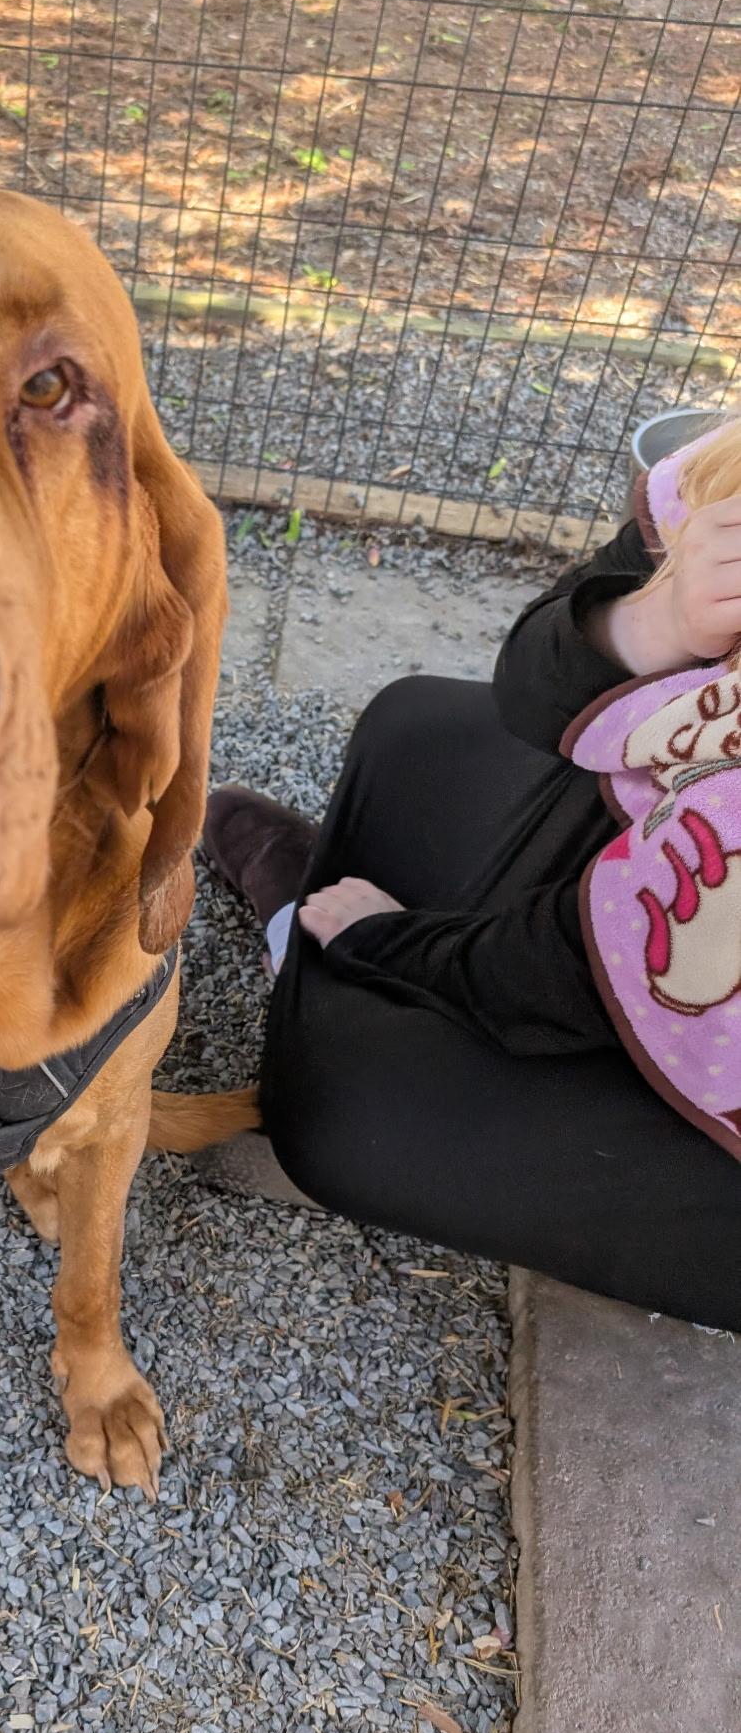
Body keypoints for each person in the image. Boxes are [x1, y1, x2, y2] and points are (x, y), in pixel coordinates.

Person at [204, 426, 741, 1329]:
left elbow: (554, 975)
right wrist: (658, 624)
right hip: (680, 876)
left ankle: (302, 933)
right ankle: (339, 940)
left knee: (344, 1118)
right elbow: (531, 678)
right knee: (414, 728)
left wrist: (391, 940)